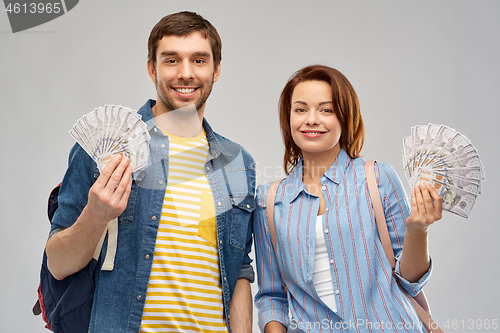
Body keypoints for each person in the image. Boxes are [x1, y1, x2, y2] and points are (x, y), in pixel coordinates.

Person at [45, 11, 255, 333]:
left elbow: (238, 271)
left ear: (216, 70)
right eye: (171, 60)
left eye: (199, 60)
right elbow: (57, 264)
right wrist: (96, 215)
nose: (186, 73)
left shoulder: (238, 163)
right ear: (151, 68)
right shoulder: (107, 149)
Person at [253, 65, 443, 332]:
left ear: (345, 117)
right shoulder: (268, 201)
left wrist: (418, 229)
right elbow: (272, 296)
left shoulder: (378, 179)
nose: (312, 119)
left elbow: (410, 280)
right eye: (300, 109)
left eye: (326, 109)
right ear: (288, 119)